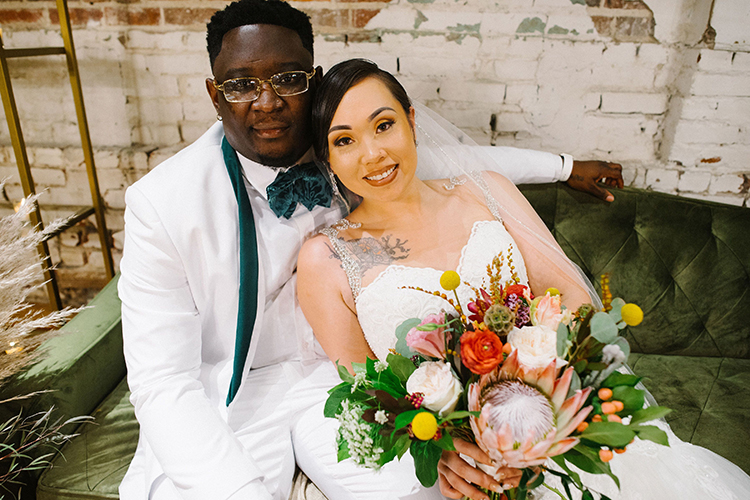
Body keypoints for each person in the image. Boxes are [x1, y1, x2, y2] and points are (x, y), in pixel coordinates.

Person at [117, 1, 624, 499]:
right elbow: (162, 380)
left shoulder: (347, 146)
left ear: (311, 82)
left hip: (340, 383)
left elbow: (455, 159)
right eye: (242, 84)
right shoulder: (162, 204)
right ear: (215, 93)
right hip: (237, 397)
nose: (267, 101)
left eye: (288, 79)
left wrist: (563, 166)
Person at [296, 58, 750, 500]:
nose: (373, 154)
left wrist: (550, 388)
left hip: (556, 409)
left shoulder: (488, 190)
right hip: (462, 457)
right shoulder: (327, 258)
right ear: (328, 158)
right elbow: (369, 395)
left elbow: (570, 294)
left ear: (412, 121)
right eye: (344, 140)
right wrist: (446, 448)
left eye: (383, 125)